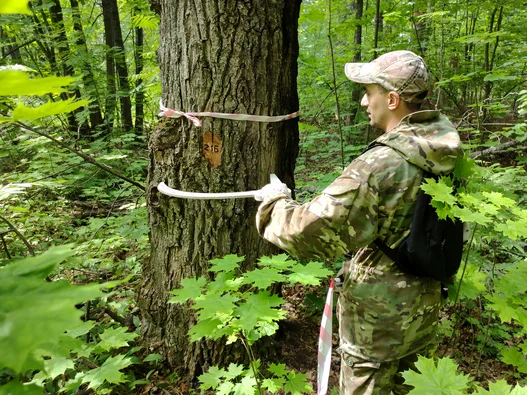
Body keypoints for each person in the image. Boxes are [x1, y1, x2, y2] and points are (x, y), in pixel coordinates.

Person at [254, 50, 462, 394]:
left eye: (369, 93)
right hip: (423, 308)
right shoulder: (446, 151)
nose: (365, 102)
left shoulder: (380, 165)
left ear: (392, 99)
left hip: (376, 323)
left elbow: (311, 231)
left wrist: (274, 204)